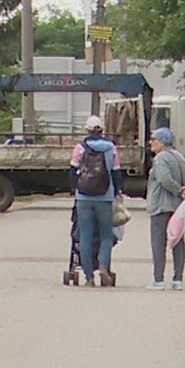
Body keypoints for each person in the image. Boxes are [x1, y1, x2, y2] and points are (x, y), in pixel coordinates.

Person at [68, 114, 124, 287]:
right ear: (102, 129)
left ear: (87, 129)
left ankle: (88, 276)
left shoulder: (80, 147)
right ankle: (103, 266)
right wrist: (116, 192)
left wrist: (75, 189)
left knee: (85, 236)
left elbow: (72, 171)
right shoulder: (111, 148)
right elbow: (116, 173)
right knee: (106, 235)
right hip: (105, 197)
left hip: (84, 197)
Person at [146, 126, 185, 290]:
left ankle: (158, 279)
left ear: (162, 142)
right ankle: (178, 279)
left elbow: (163, 178)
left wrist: (177, 189)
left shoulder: (160, 158)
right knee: (177, 241)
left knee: (158, 242)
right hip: (178, 208)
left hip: (161, 206)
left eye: (154, 139)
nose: (151, 142)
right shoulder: (180, 158)